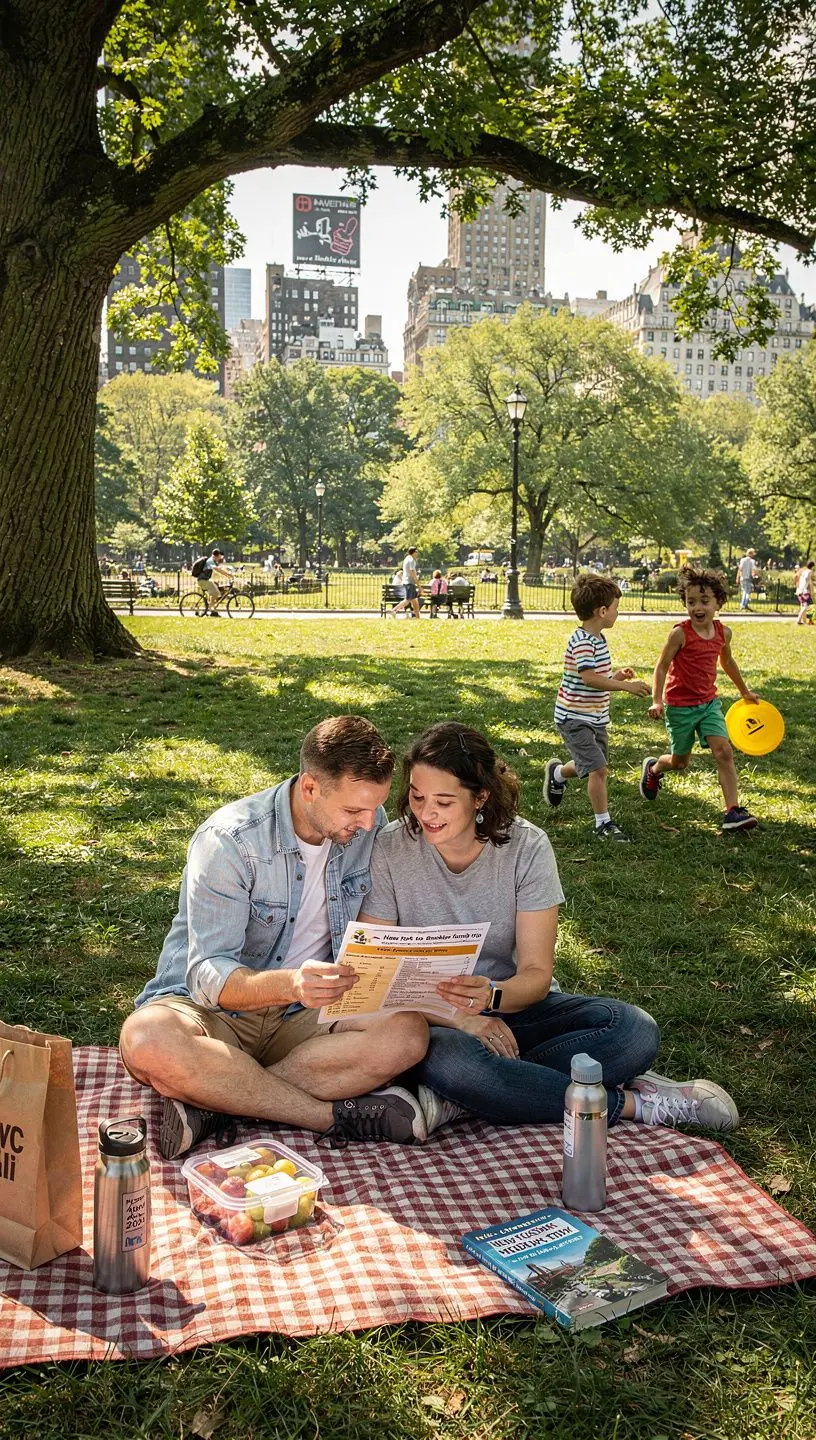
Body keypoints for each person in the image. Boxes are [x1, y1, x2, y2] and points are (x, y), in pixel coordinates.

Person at [359, 722, 739, 1138]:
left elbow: (537, 976)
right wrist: (459, 1019)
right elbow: (376, 974)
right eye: (417, 796)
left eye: (444, 802)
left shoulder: (526, 847)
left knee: (633, 1031)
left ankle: (473, 1095)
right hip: (433, 1024)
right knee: (455, 1063)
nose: (426, 813)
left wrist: (492, 994)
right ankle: (631, 1104)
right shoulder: (390, 847)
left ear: (480, 797)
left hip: (514, 1010)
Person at [119, 716, 429, 1160]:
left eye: (372, 809)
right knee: (148, 1039)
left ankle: (217, 1104)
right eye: (353, 811)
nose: (367, 824)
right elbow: (210, 976)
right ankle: (326, 1117)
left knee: (407, 1034)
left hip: (305, 1015)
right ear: (309, 788)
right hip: (215, 1013)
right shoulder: (230, 840)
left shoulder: (368, 824)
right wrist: (293, 983)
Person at [639, 566, 760, 832]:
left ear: (718, 602)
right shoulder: (680, 634)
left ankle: (732, 811)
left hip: (708, 704)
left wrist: (745, 692)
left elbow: (727, 662)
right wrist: (657, 700)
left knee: (724, 751)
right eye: (691, 602)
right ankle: (655, 768)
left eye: (704, 601)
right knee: (680, 762)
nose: (697, 607)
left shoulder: (723, 633)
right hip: (680, 707)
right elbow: (661, 666)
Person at [543, 574, 651, 843]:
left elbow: (596, 679)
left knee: (590, 765)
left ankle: (557, 773)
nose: (618, 613)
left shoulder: (598, 638)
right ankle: (602, 823)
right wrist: (627, 688)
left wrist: (616, 677)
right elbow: (589, 678)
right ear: (602, 611)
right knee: (598, 769)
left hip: (595, 716)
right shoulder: (582, 641)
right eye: (616, 608)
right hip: (573, 717)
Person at [195, 548, 232, 616]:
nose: (219, 559)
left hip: (205, 580)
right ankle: (210, 608)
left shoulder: (213, 561)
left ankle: (212, 610)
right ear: (216, 556)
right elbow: (217, 569)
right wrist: (228, 575)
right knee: (216, 593)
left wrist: (229, 572)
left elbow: (221, 568)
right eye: (219, 557)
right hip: (202, 580)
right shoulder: (210, 561)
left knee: (216, 590)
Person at [392, 547, 421, 618]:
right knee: (407, 600)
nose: (417, 554)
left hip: (406, 582)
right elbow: (412, 572)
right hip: (410, 582)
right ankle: (394, 610)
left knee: (414, 600)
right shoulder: (412, 560)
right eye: (416, 552)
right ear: (414, 552)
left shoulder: (406, 559)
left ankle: (418, 616)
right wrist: (417, 582)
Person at [795, 559, 814, 625]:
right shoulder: (810, 572)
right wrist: (812, 592)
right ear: (812, 566)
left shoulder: (803, 571)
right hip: (804, 591)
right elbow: (809, 582)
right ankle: (798, 620)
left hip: (800, 590)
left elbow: (799, 579)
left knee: (803, 606)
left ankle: (803, 621)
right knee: (806, 606)